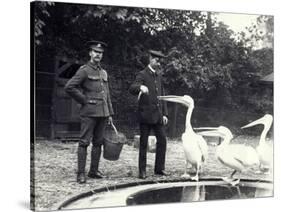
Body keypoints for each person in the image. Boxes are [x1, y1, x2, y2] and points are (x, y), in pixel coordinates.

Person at [64, 40, 114, 184]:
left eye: (100, 53)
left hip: (103, 114)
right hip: (89, 113)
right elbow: (69, 87)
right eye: (96, 52)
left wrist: (110, 113)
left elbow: (107, 94)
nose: (98, 55)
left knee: (98, 143)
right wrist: (84, 100)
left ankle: (93, 171)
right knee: (84, 142)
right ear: (90, 53)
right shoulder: (84, 70)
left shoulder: (103, 72)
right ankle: (81, 173)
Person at [129, 50, 169, 179]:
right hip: (145, 116)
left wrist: (165, 114)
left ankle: (159, 169)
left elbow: (162, 96)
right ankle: (142, 171)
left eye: (160, 60)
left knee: (162, 141)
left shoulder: (159, 76)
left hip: (158, 116)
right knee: (143, 144)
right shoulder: (142, 74)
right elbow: (132, 88)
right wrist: (140, 87)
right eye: (156, 59)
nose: (158, 62)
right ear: (150, 59)